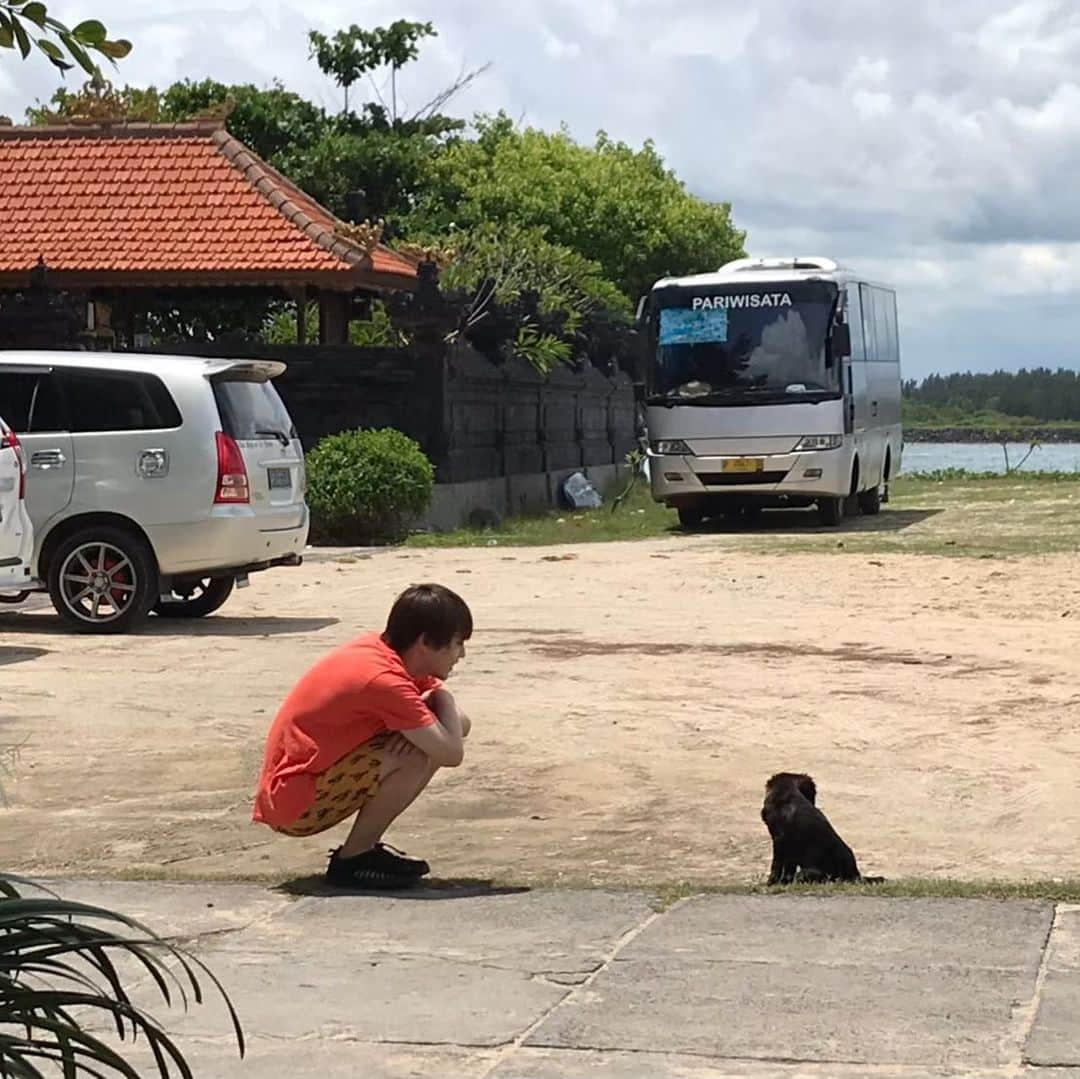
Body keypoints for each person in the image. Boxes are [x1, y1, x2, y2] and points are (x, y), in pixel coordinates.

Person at [252, 583, 473, 888]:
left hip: (299, 785)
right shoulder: (384, 680)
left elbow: (459, 726)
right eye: (457, 643)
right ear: (424, 642)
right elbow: (451, 754)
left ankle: (362, 850)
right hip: (294, 805)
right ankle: (354, 859)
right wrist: (443, 697)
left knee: (433, 735)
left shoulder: (382, 652)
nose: (461, 654)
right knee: (419, 753)